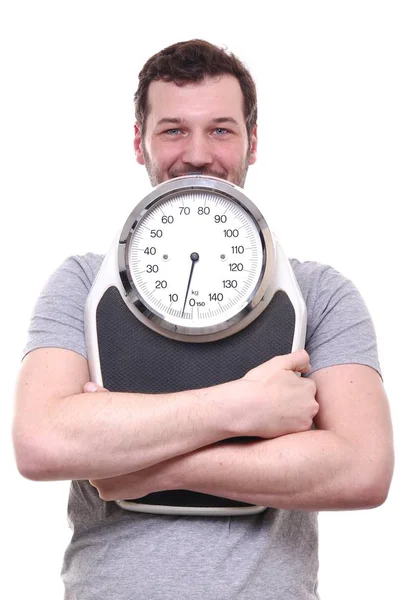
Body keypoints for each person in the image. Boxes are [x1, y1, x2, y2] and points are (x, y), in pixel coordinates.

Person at [13, 39, 394, 600]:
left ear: (252, 142)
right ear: (138, 142)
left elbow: (362, 470)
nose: (195, 154)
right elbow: (42, 442)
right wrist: (242, 408)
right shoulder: (82, 283)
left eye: (220, 129)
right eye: (172, 130)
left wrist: (144, 467)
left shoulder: (320, 293)